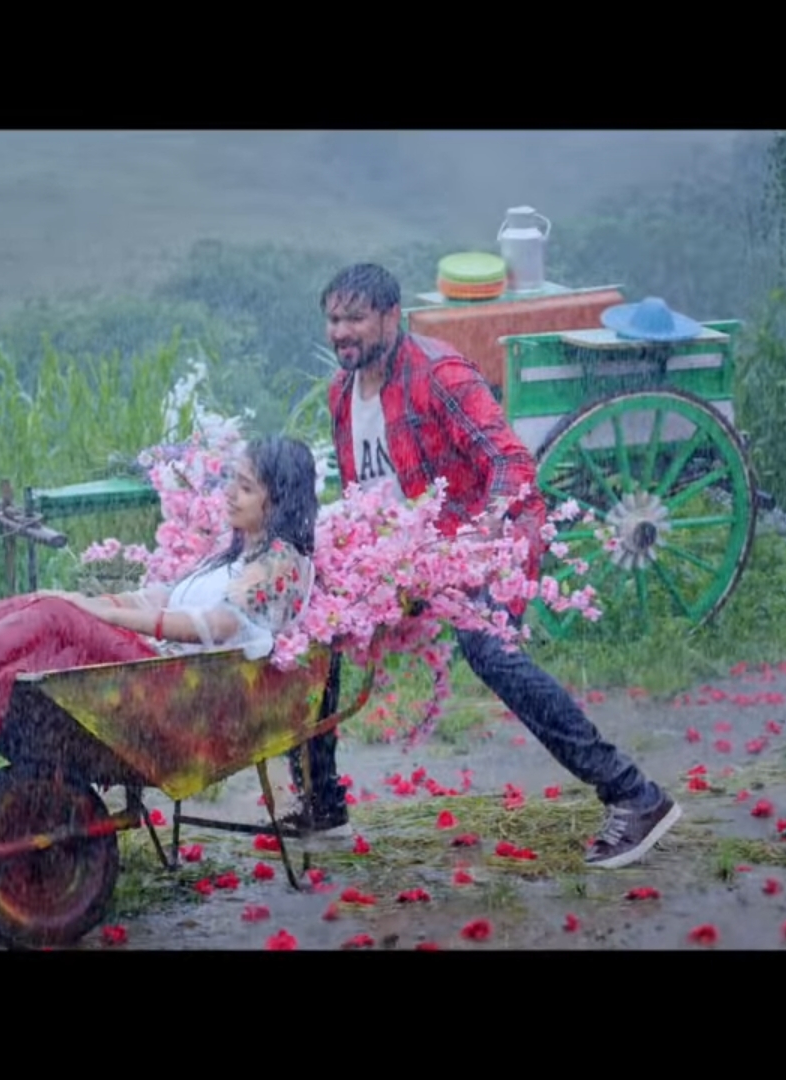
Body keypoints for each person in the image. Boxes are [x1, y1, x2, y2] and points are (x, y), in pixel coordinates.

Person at [285, 262, 681, 869]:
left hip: (490, 534)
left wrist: (481, 535)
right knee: (309, 623)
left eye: (355, 318)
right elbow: (365, 492)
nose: (341, 331)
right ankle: (323, 803)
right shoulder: (343, 393)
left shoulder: (438, 374)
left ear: (391, 316)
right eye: (333, 319)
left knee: (488, 649)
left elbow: (511, 464)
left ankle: (634, 796)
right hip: (408, 555)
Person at [0, 435, 320, 809]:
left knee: (53, 614)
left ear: (278, 499)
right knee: (39, 602)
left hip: (181, 695)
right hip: (159, 673)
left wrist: (99, 613)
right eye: (232, 481)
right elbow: (165, 594)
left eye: (245, 487)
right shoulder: (237, 553)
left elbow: (216, 625)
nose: (230, 493)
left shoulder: (282, 563)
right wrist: (91, 599)